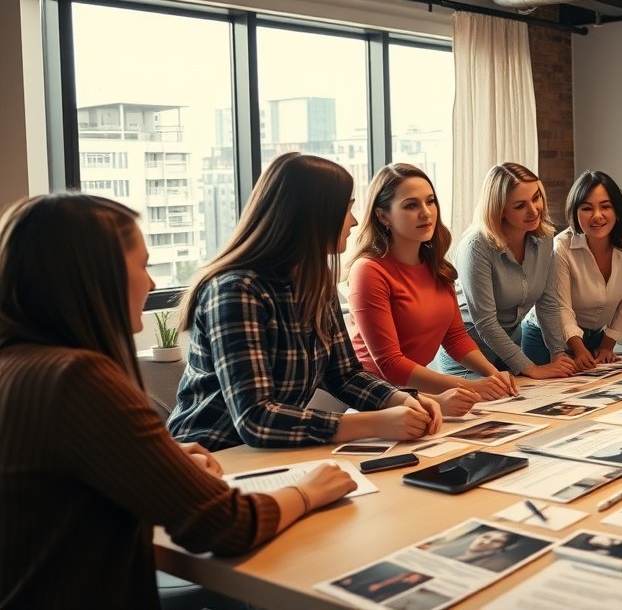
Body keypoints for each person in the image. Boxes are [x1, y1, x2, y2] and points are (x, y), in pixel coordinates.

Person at [0, 193, 357, 608]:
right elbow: (224, 526)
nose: (151, 283)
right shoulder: (77, 379)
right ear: (96, 276)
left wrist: (160, 462)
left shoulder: (19, 365)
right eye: (143, 265)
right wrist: (307, 491)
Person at [168, 153, 441, 451]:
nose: (354, 221)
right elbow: (255, 418)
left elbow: (344, 374)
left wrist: (402, 398)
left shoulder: (316, 281)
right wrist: (375, 422)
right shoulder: (236, 291)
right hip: (213, 456)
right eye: (346, 209)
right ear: (312, 215)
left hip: (273, 453)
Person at [347, 163, 519, 416]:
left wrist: (494, 376)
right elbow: (390, 364)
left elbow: (455, 337)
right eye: (411, 205)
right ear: (383, 215)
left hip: (413, 393)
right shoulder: (368, 270)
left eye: (430, 202)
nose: (426, 213)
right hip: (373, 399)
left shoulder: (437, 265)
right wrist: (471, 386)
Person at [439, 163, 576, 379]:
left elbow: (547, 302)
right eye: (520, 205)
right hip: (469, 355)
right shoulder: (476, 246)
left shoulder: (544, 239)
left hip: (511, 348)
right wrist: (532, 369)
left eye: (536, 197)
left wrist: (558, 354)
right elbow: (485, 322)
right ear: (499, 209)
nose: (533, 210)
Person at [522, 171, 622, 371]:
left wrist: (606, 346)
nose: (597, 216)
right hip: (546, 339)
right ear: (574, 213)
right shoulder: (561, 246)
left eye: (605, 206)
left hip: (594, 338)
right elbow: (562, 308)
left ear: (617, 209)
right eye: (586, 208)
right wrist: (578, 350)